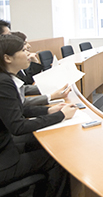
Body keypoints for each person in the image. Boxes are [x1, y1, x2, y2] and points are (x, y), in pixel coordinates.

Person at [0, 34, 77, 197]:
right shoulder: (3, 83)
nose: (29, 54)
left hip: (5, 147)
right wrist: (60, 116)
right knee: (59, 160)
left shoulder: (5, 79)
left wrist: (49, 110)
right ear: (7, 58)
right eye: (23, 51)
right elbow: (18, 126)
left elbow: (18, 109)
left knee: (40, 143)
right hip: (4, 160)